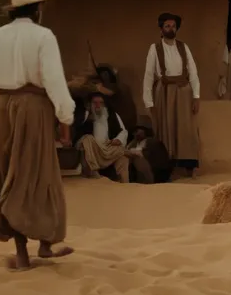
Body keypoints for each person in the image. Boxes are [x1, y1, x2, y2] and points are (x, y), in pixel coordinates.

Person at [0, 0, 76, 271]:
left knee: (9, 175)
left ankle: (24, 252)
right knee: (39, 174)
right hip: (34, 108)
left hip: (2, 107)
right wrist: (65, 119)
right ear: (37, 8)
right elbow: (54, 81)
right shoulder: (44, 37)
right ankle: (45, 242)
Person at [142, 12, 201, 177]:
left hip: (183, 91)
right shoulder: (155, 48)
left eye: (173, 26)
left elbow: (193, 72)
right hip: (165, 92)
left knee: (186, 128)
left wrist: (196, 96)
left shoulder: (184, 47)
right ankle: (169, 167)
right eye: (167, 26)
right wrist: (149, 103)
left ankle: (189, 165)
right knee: (166, 127)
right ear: (161, 29)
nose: (171, 29)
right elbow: (148, 76)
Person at [75, 92, 131, 182]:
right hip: (92, 150)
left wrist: (118, 139)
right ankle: (93, 171)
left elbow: (123, 131)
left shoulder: (112, 114)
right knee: (87, 139)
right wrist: (88, 120)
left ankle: (124, 184)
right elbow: (77, 134)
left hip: (107, 148)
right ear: (90, 104)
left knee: (122, 155)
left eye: (100, 103)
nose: (98, 105)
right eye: (95, 103)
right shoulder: (85, 115)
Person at [125, 115, 172, 184]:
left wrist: (131, 152)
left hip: (156, 175)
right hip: (140, 174)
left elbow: (143, 155)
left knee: (136, 159)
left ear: (146, 130)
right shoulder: (134, 142)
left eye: (138, 130)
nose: (136, 133)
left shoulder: (153, 143)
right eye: (135, 131)